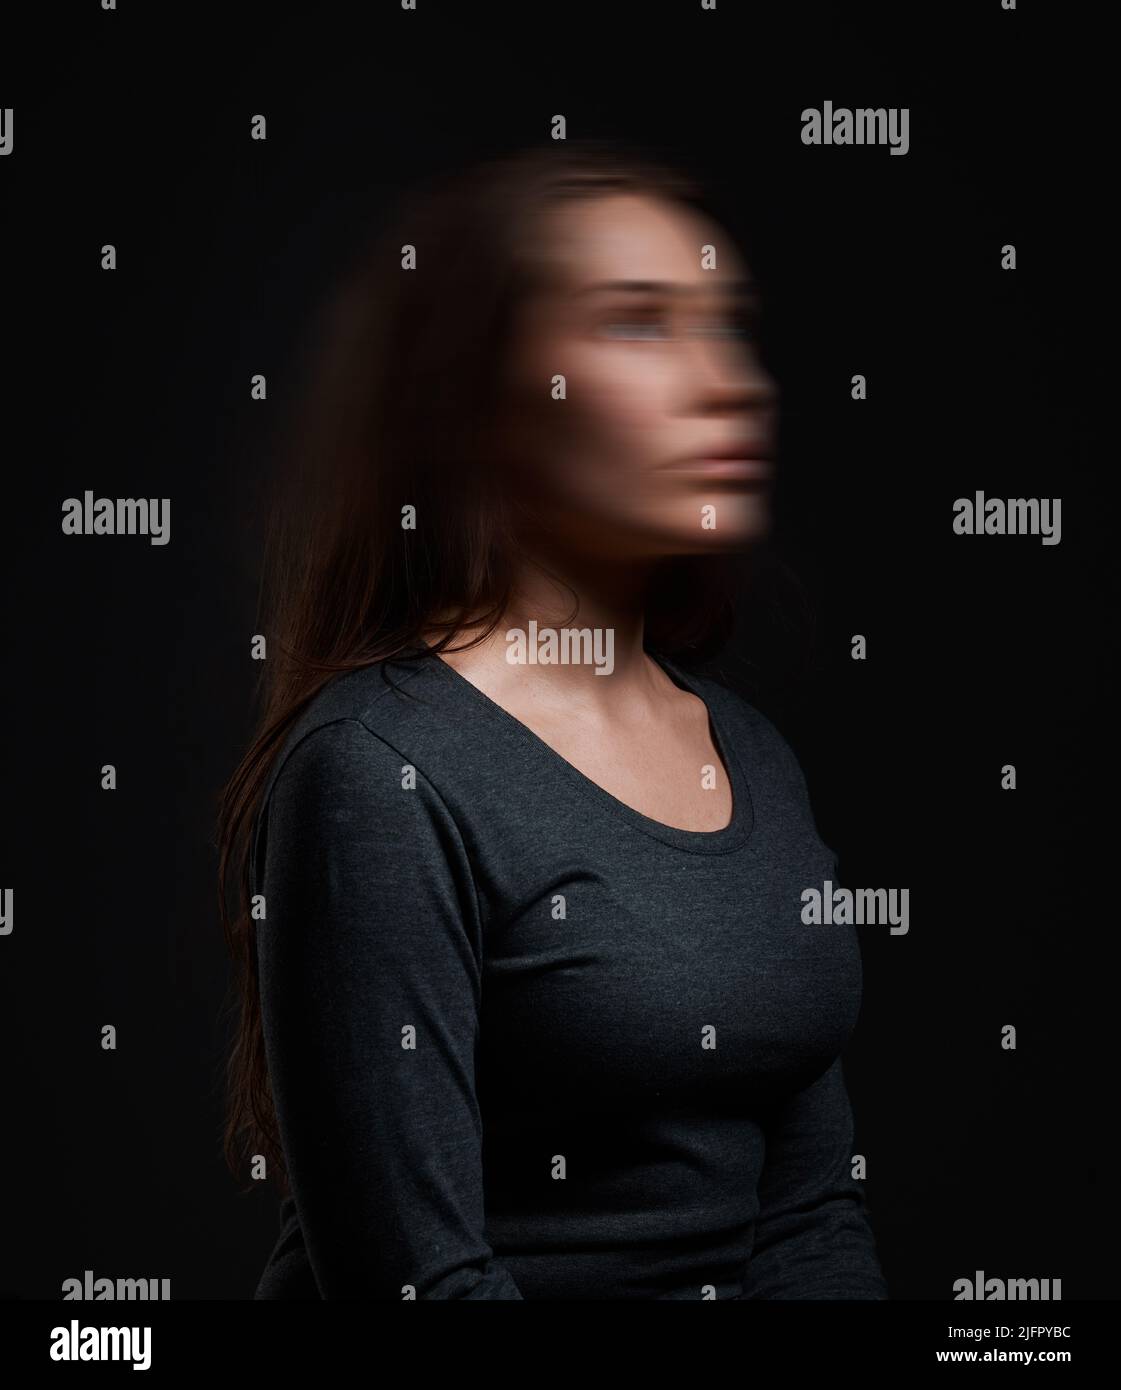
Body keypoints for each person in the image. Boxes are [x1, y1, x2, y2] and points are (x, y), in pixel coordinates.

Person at [216, 141, 889, 1300]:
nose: (728, 378)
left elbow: (809, 1218)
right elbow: (418, 1284)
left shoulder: (753, 758)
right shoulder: (378, 771)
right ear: (481, 400)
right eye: (637, 322)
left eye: (724, 323)